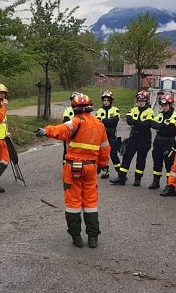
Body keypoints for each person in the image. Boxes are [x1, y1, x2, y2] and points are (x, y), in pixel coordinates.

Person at [34, 93, 111, 248]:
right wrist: (102, 165)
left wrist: (46, 130)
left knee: (73, 202)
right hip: (91, 167)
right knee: (90, 202)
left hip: (74, 167)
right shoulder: (99, 125)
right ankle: (93, 237)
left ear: (75, 108)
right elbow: (105, 149)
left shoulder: (76, 122)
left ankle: (76, 236)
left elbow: (61, 130)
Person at [110, 90, 154, 186]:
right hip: (133, 136)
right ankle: (121, 177)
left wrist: (136, 123)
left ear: (146, 101)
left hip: (144, 137)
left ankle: (137, 179)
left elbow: (147, 124)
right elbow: (129, 120)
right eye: (139, 101)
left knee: (141, 159)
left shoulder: (150, 111)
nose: (141, 102)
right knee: (127, 157)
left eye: (143, 101)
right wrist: (139, 123)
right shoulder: (133, 109)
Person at [148, 94, 176, 190]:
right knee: (157, 162)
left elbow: (171, 129)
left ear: (170, 105)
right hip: (158, 142)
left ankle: (169, 184)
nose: (164, 107)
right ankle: (155, 181)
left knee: (169, 164)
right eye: (163, 105)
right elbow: (152, 124)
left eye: (166, 105)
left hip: (168, 143)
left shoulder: (175, 116)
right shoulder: (160, 114)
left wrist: (160, 126)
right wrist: (162, 126)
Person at [95, 91, 120, 179]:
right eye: (104, 100)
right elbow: (97, 123)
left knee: (113, 153)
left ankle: (120, 172)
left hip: (111, 134)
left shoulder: (115, 109)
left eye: (107, 100)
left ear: (111, 101)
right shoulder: (99, 111)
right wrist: (108, 120)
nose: (106, 102)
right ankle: (105, 171)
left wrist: (104, 121)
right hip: (101, 135)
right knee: (101, 154)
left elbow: (114, 122)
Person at [61, 92, 80, 163]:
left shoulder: (80, 109)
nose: (73, 101)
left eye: (75, 99)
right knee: (66, 148)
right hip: (69, 131)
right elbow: (66, 119)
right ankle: (65, 163)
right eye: (72, 99)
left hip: (78, 132)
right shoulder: (68, 109)